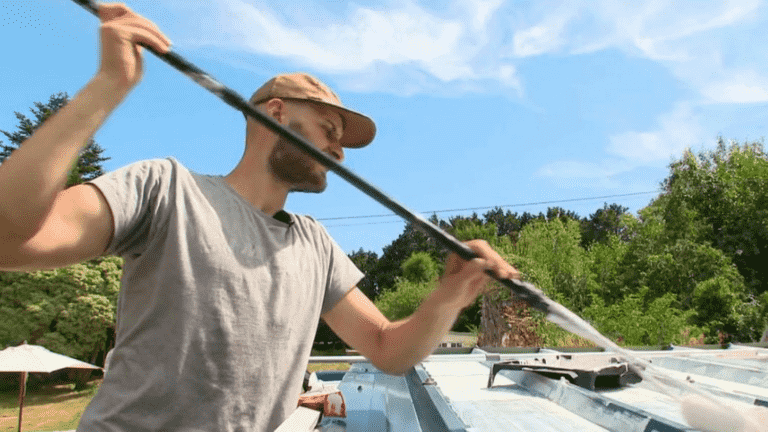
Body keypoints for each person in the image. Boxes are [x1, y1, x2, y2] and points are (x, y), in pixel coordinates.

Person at [0, 3, 519, 431]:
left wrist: (450, 293)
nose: (339, 153)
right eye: (328, 129)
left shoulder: (315, 245)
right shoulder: (165, 189)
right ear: (275, 113)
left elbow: (388, 350)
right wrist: (109, 85)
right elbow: (11, 239)